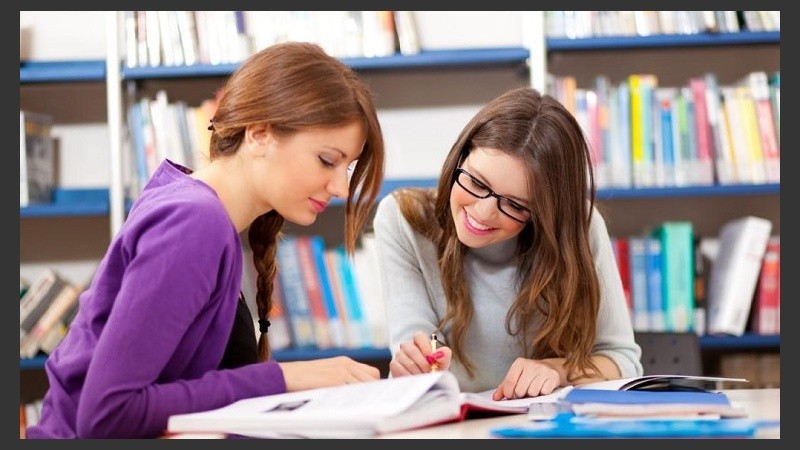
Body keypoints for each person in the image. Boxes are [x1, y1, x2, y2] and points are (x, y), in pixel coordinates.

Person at [27, 42, 385, 439]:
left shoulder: (204, 213)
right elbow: (108, 414)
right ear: (261, 134)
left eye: (346, 167)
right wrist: (282, 378)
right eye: (326, 160)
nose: (339, 186)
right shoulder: (195, 222)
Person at [373, 86, 642, 401]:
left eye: (515, 205)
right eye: (475, 182)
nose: (483, 213)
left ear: (544, 214)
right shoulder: (403, 220)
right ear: (459, 157)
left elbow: (623, 360)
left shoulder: (579, 224)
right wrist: (417, 364)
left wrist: (558, 369)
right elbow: (416, 353)